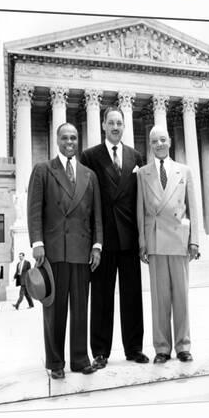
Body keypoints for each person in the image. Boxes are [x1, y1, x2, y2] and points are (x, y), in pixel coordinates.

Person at [27, 123, 103, 379]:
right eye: (65, 137)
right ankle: (55, 363)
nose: (70, 141)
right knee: (55, 310)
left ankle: (80, 360)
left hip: (82, 252)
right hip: (54, 252)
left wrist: (97, 245)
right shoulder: (43, 170)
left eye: (73, 137)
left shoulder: (89, 175)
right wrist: (37, 243)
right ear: (56, 140)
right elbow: (34, 209)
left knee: (81, 308)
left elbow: (96, 217)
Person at [80, 106, 148, 369]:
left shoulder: (136, 156)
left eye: (119, 122)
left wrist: (143, 238)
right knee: (101, 296)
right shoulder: (90, 156)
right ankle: (100, 352)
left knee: (132, 296)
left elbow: (141, 199)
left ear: (124, 126)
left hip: (129, 237)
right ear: (103, 126)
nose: (116, 127)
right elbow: (86, 201)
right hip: (103, 238)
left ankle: (134, 348)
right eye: (111, 122)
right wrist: (92, 241)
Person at [136, 125, 199, 364]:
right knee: (159, 298)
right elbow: (141, 210)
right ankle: (162, 348)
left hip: (179, 240)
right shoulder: (143, 173)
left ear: (170, 142)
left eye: (163, 140)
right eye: (154, 141)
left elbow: (193, 207)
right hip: (155, 240)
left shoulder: (185, 171)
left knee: (181, 296)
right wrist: (142, 242)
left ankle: (184, 346)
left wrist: (194, 241)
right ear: (150, 145)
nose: (159, 144)